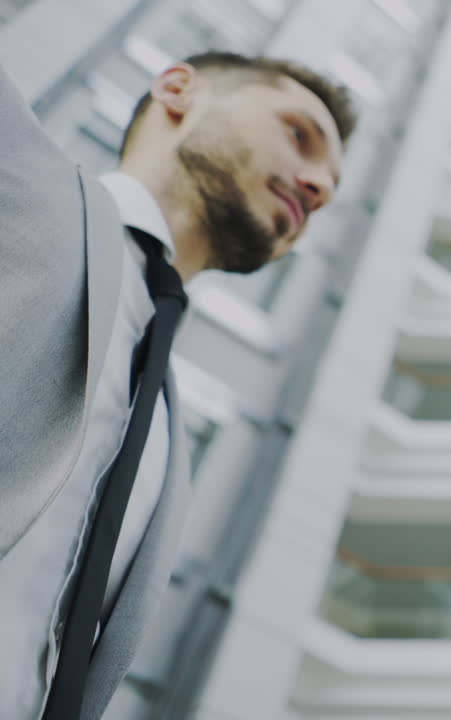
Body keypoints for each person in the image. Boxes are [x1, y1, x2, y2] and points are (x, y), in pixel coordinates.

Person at [0, 52, 355, 719]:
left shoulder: (171, 438)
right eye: (298, 135)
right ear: (178, 89)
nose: (315, 187)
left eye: (327, 194)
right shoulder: (14, 170)